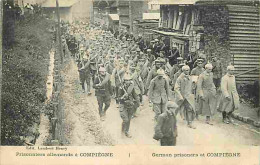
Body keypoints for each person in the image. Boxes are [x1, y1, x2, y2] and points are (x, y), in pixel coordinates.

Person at [118, 73, 138, 138]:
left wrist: (137, 103)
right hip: (123, 105)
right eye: (126, 80)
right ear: (124, 81)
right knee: (125, 119)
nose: (128, 81)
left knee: (129, 119)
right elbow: (118, 98)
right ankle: (122, 131)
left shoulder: (132, 88)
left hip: (130, 105)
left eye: (129, 80)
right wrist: (123, 98)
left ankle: (127, 131)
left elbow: (135, 95)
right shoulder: (121, 88)